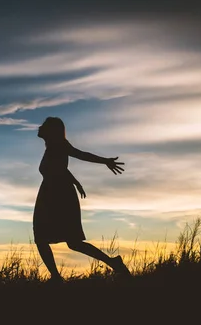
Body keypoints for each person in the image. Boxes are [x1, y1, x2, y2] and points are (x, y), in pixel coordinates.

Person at [33, 116, 131, 283]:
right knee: (43, 238)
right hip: (50, 195)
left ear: (51, 130)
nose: (39, 127)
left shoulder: (60, 145)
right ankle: (56, 277)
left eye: (44, 125)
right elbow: (60, 168)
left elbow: (81, 155)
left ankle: (112, 263)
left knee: (71, 242)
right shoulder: (51, 148)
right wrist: (76, 182)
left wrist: (105, 161)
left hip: (59, 197)